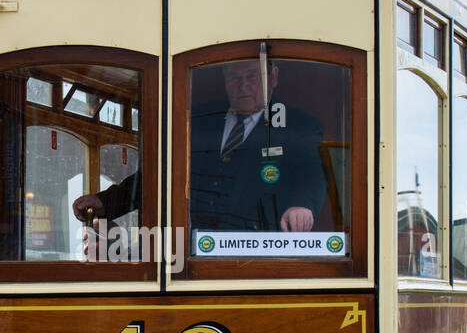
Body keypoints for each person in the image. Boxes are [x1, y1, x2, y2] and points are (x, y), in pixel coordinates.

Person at [73, 58, 327, 233]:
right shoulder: (198, 120)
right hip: (193, 252)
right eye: (235, 78)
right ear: (225, 80)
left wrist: (302, 206)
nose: (244, 85)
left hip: (256, 253)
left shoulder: (298, 125)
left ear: (273, 78)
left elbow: (311, 177)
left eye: (253, 77)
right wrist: (105, 202)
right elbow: (161, 179)